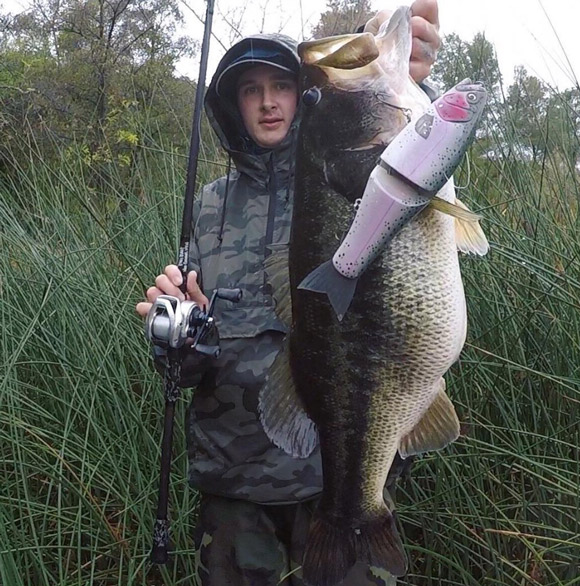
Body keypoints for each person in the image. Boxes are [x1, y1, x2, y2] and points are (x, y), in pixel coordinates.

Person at [136, 2, 441, 584]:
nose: (268, 102)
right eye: (251, 90)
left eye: (282, 85)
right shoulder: (207, 205)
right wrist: (177, 335)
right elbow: (188, 368)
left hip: (333, 475)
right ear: (233, 105)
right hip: (234, 484)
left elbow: (413, 159)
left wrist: (404, 67)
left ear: (304, 95)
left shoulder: (349, 178)